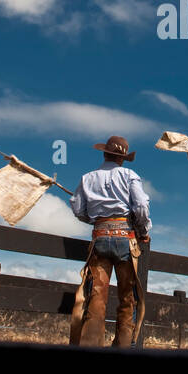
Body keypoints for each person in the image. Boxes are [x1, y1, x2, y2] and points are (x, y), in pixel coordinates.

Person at [69, 135, 151, 347]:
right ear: (122, 158)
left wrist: (96, 219)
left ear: (104, 153)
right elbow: (141, 206)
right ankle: (124, 347)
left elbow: (78, 209)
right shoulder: (129, 175)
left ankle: (90, 345)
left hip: (100, 238)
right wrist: (142, 230)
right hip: (125, 237)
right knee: (127, 298)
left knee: (96, 297)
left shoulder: (88, 178)